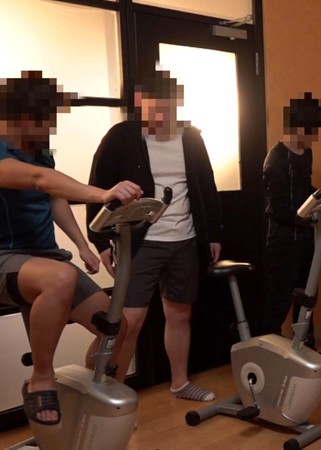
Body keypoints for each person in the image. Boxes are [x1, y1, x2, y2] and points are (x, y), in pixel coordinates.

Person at [0, 70, 142, 426]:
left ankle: (89, 401)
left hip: (45, 259)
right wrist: (102, 193)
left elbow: (54, 196)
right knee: (60, 278)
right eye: (44, 120)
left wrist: (82, 246)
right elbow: (39, 179)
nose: (50, 128)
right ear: (19, 117)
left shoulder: (39, 149)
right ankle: (41, 379)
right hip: (5, 258)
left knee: (117, 327)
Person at [87, 70, 222, 402]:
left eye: (169, 106)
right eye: (155, 106)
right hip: (139, 242)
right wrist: (101, 242)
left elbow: (206, 186)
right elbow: (97, 190)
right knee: (129, 321)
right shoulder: (121, 137)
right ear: (140, 102)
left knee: (180, 313)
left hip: (185, 240)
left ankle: (180, 383)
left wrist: (212, 233)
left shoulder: (191, 138)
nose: (162, 114)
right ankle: (108, 395)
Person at [262, 92, 321, 349]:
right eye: (311, 129)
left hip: (305, 239)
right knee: (280, 300)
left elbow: (305, 191)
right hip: (283, 241)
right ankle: (268, 351)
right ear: (297, 126)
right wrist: (318, 222)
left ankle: (306, 347)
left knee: (307, 296)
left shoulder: (306, 154)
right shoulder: (276, 160)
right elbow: (280, 210)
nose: (314, 135)